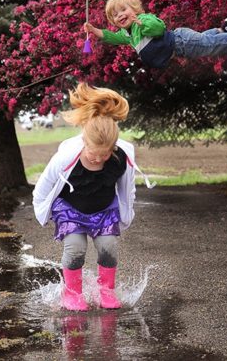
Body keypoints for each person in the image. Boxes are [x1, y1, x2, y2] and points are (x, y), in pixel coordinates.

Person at [32, 83, 153, 311]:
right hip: (71, 209)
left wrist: (127, 214)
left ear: (113, 148)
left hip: (103, 210)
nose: (98, 159)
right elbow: (42, 187)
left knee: (108, 247)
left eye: (104, 154)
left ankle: (106, 290)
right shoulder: (66, 156)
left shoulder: (120, 159)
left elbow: (128, 190)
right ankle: (72, 293)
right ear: (84, 142)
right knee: (76, 249)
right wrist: (42, 210)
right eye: (93, 154)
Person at [83, 0, 227, 69]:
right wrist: (93, 30)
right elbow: (111, 37)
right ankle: (223, 30)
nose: (120, 15)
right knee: (205, 42)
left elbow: (159, 29)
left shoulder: (142, 20)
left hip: (180, 40)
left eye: (123, 10)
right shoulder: (127, 35)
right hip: (180, 47)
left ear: (135, 10)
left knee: (207, 46)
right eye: (114, 15)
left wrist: (142, 24)